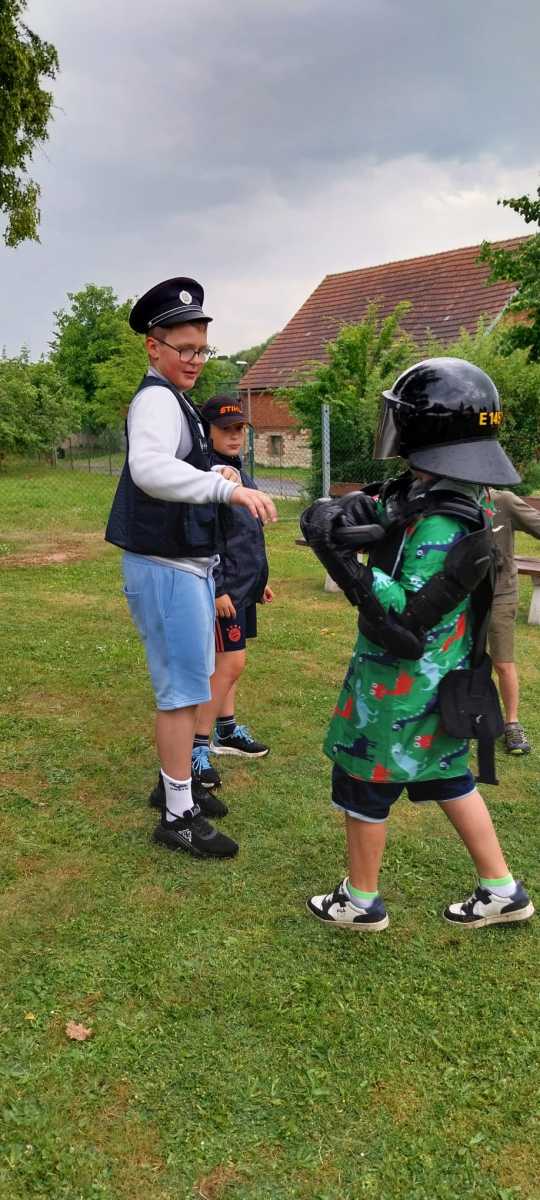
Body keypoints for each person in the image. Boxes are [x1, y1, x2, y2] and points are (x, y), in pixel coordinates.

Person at [301, 358, 534, 932]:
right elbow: (393, 506)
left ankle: (360, 901)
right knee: (448, 776)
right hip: (439, 680)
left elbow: (403, 613)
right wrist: (352, 509)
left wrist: (346, 561)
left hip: (402, 688)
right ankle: (501, 889)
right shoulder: (454, 491)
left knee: (364, 783)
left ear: (426, 431)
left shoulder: (442, 520)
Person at [105, 277, 277, 860]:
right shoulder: (156, 399)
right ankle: (178, 815)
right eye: (184, 349)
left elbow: (178, 466)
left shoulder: (172, 398)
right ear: (153, 346)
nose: (196, 360)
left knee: (190, 682)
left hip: (182, 565)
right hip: (166, 566)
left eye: (202, 350)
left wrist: (214, 473)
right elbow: (150, 468)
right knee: (180, 693)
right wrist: (225, 488)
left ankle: (174, 784)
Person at [190, 395, 273, 791]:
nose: (235, 435)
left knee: (230, 665)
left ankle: (225, 730)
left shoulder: (238, 470)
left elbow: (244, 533)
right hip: (224, 591)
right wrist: (220, 587)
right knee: (229, 664)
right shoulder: (208, 475)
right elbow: (205, 536)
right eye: (225, 429)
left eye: (239, 428)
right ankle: (195, 747)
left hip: (243, 586)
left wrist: (259, 580)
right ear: (207, 431)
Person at [487, 488, 540, 755]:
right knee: (455, 657)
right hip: (463, 594)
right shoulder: (453, 499)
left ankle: (512, 724)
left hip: (501, 593)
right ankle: (457, 714)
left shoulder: (504, 501)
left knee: (503, 662)